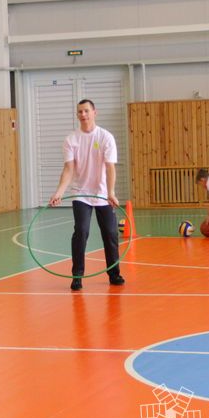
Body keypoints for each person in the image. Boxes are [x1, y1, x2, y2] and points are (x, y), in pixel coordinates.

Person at [49, 99, 125, 291]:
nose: (83, 115)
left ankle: (114, 274)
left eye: (86, 111)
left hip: (102, 194)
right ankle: (77, 276)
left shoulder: (106, 137)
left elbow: (110, 168)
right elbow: (68, 169)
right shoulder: (71, 140)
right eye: (80, 112)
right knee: (81, 231)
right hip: (80, 193)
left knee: (110, 233)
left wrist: (111, 192)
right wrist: (59, 192)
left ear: (94, 112)